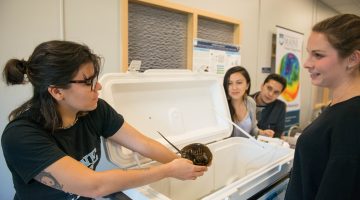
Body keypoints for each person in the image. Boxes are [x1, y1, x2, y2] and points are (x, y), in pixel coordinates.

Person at [1, 40, 208, 200]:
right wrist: (168, 170)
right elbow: (94, 185)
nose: (98, 87)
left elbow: (143, 144)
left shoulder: (94, 110)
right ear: (57, 91)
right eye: (88, 82)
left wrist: (183, 163)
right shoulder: (21, 136)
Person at [285, 14, 360, 200]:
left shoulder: (353, 119)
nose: (306, 63)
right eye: (309, 53)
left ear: (352, 58)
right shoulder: (339, 106)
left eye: (318, 55)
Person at [223, 66, 274, 138]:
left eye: (239, 83)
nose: (234, 87)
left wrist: (262, 132)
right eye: (229, 83)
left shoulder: (250, 102)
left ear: (247, 85)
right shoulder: (222, 105)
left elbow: (253, 130)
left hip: (247, 146)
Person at [250, 73, 287, 138]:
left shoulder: (280, 107)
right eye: (269, 88)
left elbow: (278, 134)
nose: (270, 94)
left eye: (276, 92)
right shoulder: (245, 101)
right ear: (262, 86)